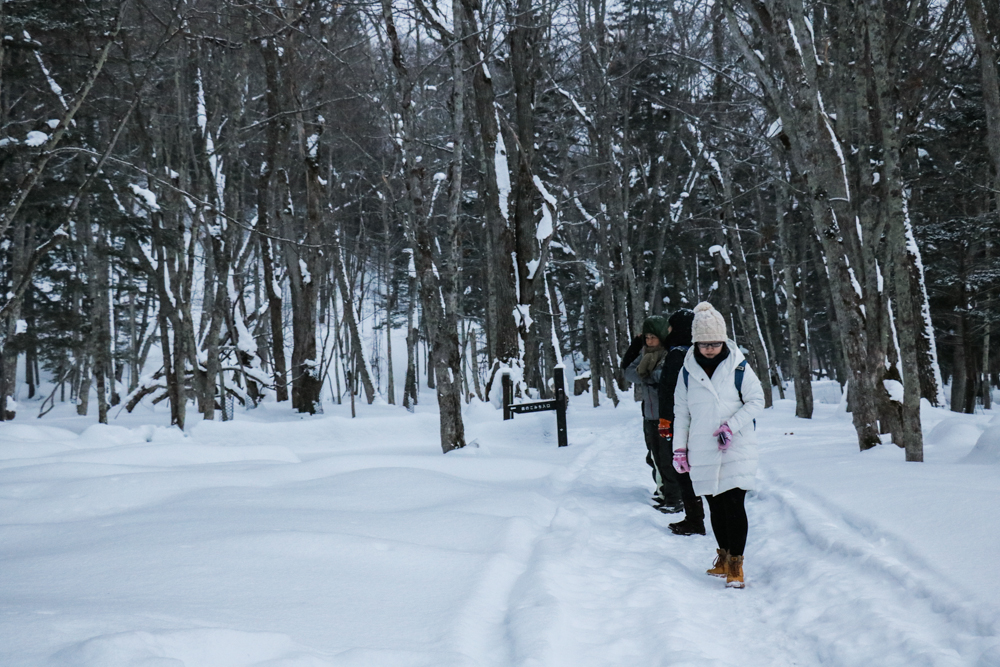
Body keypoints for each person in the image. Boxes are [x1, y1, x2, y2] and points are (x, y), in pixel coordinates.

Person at [671, 302, 764, 588]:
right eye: (703, 344)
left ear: (723, 340)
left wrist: (730, 427)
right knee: (715, 505)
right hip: (702, 448)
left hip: (736, 446)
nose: (709, 349)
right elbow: (681, 413)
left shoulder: (739, 366)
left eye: (714, 343)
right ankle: (723, 558)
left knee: (734, 503)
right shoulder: (686, 372)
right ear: (695, 343)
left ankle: (737, 564)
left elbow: (757, 401)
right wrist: (679, 448)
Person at [621, 316, 683, 513]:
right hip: (649, 415)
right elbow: (629, 373)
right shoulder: (645, 354)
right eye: (646, 337)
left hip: (666, 415)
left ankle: (675, 498)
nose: (649, 341)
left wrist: (648, 376)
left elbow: (665, 377)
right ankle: (664, 491)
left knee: (667, 458)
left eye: (653, 337)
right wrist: (646, 374)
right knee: (654, 456)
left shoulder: (669, 355)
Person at [653, 309, 706, 536]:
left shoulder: (677, 355)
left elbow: (667, 392)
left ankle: (695, 518)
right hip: (700, 418)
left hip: (678, 420)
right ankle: (697, 515)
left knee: (682, 468)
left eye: (671, 327)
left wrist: (664, 420)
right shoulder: (698, 352)